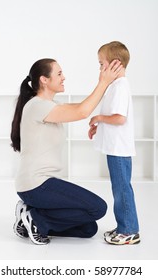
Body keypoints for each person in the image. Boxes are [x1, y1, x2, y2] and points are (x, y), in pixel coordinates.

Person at [11, 57, 122, 245]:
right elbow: (81, 112)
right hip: (37, 184)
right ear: (44, 80)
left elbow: (83, 108)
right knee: (98, 208)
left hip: (40, 186)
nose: (64, 77)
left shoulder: (51, 105)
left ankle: (28, 218)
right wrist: (104, 81)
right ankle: (37, 219)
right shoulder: (37, 105)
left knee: (88, 229)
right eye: (59, 73)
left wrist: (100, 121)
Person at [88, 41, 140, 245]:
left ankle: (129, 231)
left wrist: (99, 119)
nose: (100, 69)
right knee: (119, 188)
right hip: (115, 147)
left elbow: (120, 119)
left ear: (115, 64)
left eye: (102, 64)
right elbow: (114, 116)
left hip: (119, 148)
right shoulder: (116, 86)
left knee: (121, 189)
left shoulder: (120, 87)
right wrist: (98, 124)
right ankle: (123, 227)